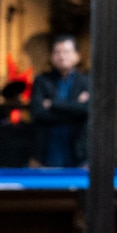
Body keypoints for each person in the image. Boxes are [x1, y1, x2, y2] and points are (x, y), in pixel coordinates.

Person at [30, 34, 90, 166]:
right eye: (57, 52)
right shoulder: (42, 81)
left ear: (77, 56)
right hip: (47, 153)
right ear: (51, 56)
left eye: (66, 52)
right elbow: (37, 112)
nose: (62, 56)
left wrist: (52, 104)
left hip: (78, 153)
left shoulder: (86, 82)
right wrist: (74, 109)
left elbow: (87, 110)